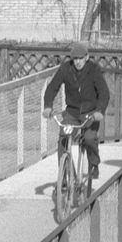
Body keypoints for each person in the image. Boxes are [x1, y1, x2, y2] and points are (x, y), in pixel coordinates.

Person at [42, 41, 109, 179]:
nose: (78, 62)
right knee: (63, 141)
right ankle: (67, 176)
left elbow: (104, 92)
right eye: (75, 59)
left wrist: (99, 111)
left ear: (87, 57)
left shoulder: (94, 69)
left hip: (90, 113)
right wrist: (48, 105)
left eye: (80, 58)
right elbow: (52, 87)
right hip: (72, 112)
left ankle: (94, 164)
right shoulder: (65, 69)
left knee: (89, 138)